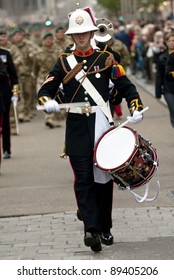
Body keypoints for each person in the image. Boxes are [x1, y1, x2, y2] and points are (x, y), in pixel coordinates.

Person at [38, 4, 144, 252]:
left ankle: (105, 226)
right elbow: (45, 91)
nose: (81, 36)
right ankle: (91, 230)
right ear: (72, 36)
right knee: (83, 179)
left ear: (92, 32)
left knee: (103, 178)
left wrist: (135, 107)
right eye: (77, 33)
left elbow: (127, 87)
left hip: (101, 123)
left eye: (85, 32)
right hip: (76, 125)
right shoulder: (64, 62)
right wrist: (48, 103)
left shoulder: (106, 59)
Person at [0, 48, 19, 159]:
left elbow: (13, 75)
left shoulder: (5, 53)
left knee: (5, 123)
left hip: (4, 94)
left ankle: (6, 149)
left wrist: (15, 93)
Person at [155, 32, 174, 128]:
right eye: (169, 41)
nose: (171, 43)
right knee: (173, 109)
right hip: (168, 90)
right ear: (166, 43)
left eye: (173, 41)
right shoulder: (162, 57)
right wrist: (158, 92)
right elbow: (159, 75)